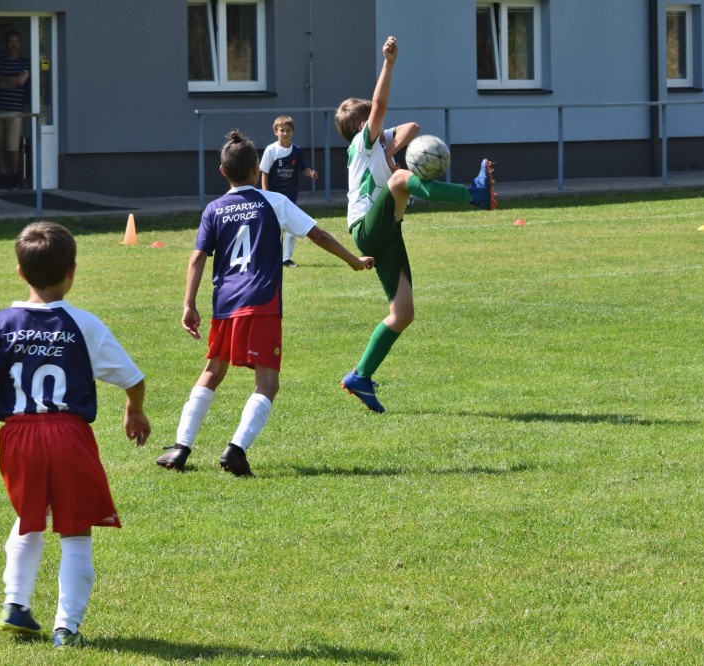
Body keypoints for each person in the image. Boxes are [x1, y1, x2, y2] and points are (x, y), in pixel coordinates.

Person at [0, 221, 152, 649]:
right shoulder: (83, 324)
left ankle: (15, 604)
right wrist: (134, 409)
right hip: (68, 434)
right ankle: (67, 628)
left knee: (29, 519)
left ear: (20, 272)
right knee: (76, 530)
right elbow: (133, 378)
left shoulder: (2, 323)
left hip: (18, 436)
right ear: (72, 271)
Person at [155, 130, 374, 475]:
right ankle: (235, 450)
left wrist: (189, 304)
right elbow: (318, 234)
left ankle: (180, 447)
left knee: (213, 371)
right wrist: (353, 261)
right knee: (267, 383)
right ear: (257, 169)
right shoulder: (274, 202)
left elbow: (197, 257)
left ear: (222, 171)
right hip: (261, 301)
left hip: (225, 302)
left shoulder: (214, 209)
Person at [334, 35, 496, 414]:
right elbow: (379, 105)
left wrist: (389, 149)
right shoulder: (361, 142)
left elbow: (411, 127)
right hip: (366, 227)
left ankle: (360, 376)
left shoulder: (376, 145)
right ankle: (473, 194)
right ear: (363, 125)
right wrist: (388, 63)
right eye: (375, 122)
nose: (382, 124)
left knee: (403, 313)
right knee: (400, 179)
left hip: (385, 233)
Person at [260, 115, 319, 268]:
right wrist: (265, 192)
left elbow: (303, 168)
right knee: (275, 228)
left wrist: (311, 173)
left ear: (292, 132)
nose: (285, 133)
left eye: (288, 130)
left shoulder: (296, 151)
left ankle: (287, 259)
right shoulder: (271, 150)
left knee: (291, 227)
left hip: (290, 195)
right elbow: (264, 172)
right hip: (274, 196)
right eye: (282, 130)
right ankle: (272, 257)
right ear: (275, 131)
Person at [0, 30, 30, 190]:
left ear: (20, 44)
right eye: (10, 41)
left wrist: (2, 78)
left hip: (14, 111)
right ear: (5, 43)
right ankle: (3, 177)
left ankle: (14, 178)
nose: (14, 45)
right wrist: (12, 81)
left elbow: (21, 81)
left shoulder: (24, 62)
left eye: (16, 42)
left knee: (13, 147)